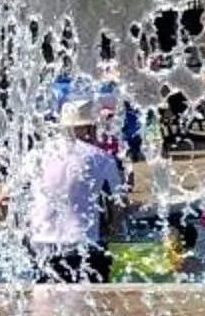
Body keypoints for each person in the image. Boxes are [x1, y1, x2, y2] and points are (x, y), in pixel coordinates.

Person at [16, 97, 128, 284]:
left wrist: (20, 230)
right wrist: (111, 232)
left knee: (44, 307)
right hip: (83, 245)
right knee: (92, 308)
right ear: (89, 128)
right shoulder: (101, 158)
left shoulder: (36, 155)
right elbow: (118, 204)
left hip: (41, 246)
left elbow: (4, 200)